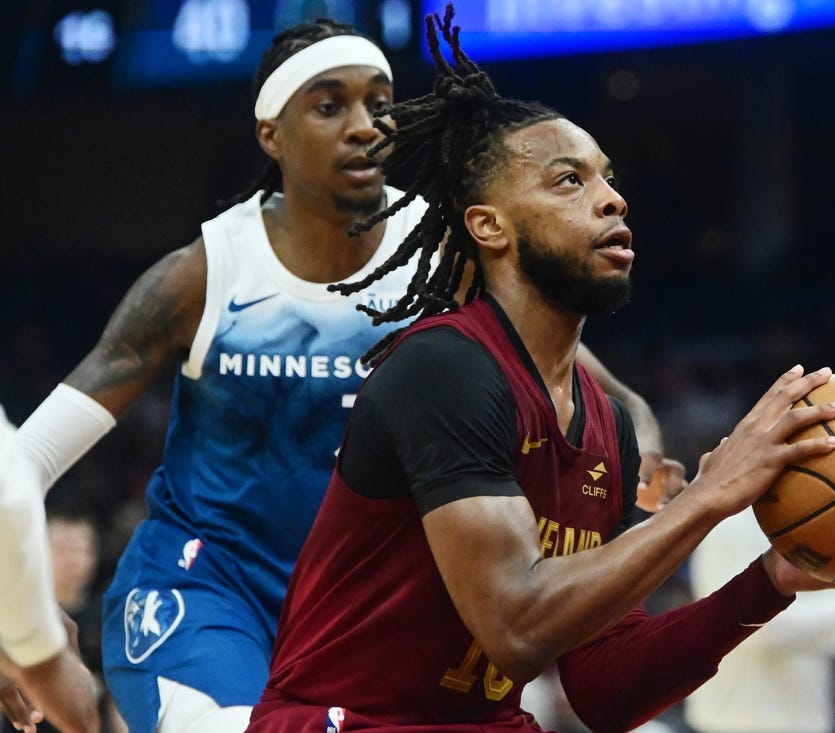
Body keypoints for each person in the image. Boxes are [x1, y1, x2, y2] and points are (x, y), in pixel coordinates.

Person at [245, 8, 835, 731]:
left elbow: (603, 686)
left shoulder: (606, 423)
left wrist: (767, 583)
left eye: (609, 179)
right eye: (568, 181)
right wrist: (711, 497)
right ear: (489, 225)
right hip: (347, 720)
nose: (611, 197)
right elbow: (516, 624)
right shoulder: (445, 367)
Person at [0, 17, 678, 733]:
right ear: (272, 133)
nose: (366, 127)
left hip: (346, 612)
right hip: (206, 589)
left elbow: (602, 391)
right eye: (330, 106)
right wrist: (22, 620)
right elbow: (28, 458)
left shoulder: (440, 257)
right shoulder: (207, 274)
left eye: (380, 104)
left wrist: (650, 446)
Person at [684, 508, 835, 733]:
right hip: (726, 724)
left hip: (810, 723)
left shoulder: (834, 516)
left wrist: (789, 609)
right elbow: (751, 630)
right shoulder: (729, 521)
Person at [0, 406, 100, 733]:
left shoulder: (102, 617)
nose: (73, 560)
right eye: (64, 548)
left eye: (81, 549)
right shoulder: (13, 493)